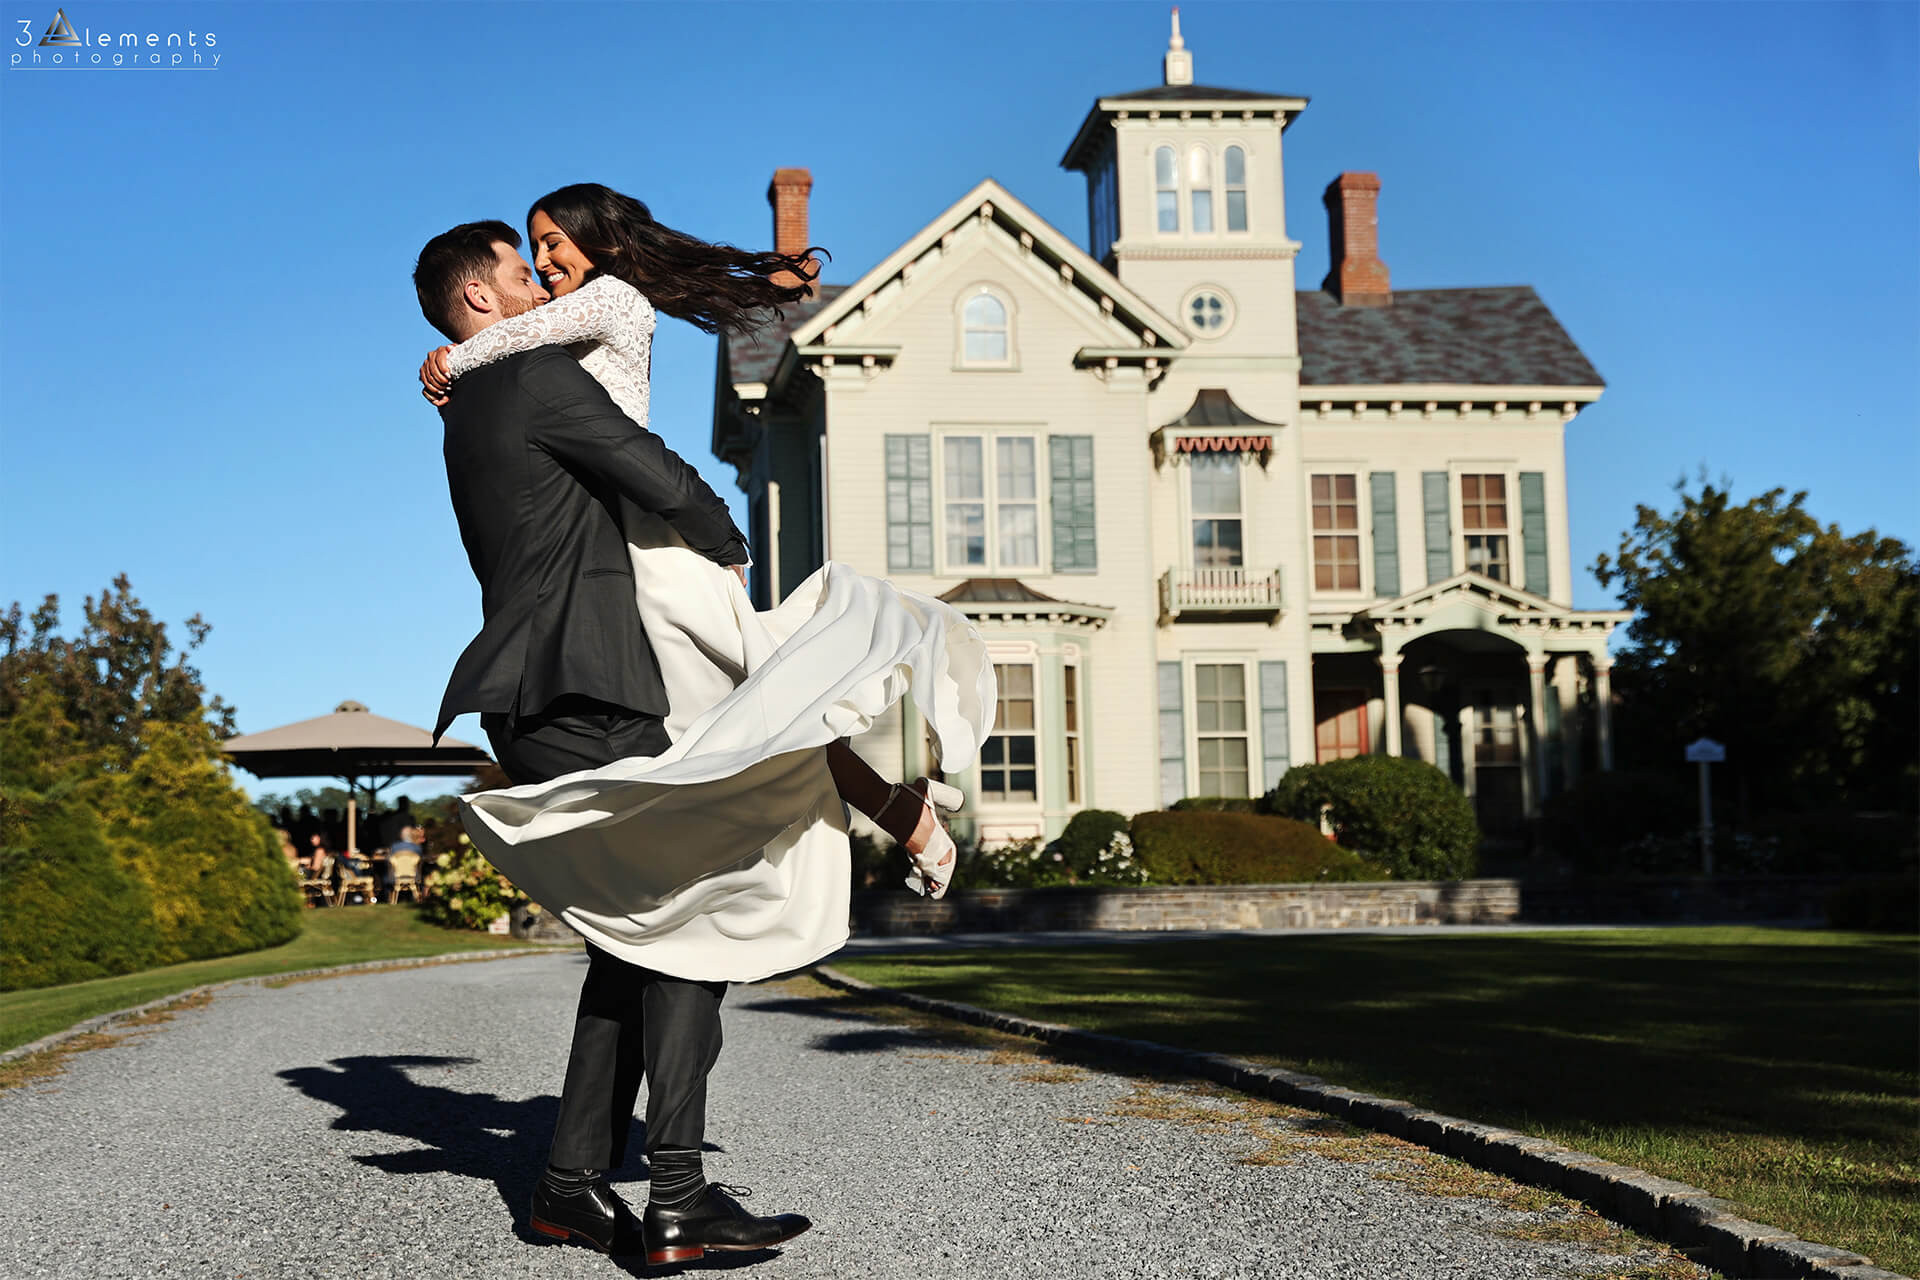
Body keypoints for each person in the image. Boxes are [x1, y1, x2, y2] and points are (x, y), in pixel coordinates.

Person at [413, 214, 994, 1267]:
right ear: (481, 299)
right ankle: (676, 1196)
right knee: (699, 900)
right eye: (517, 269)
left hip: (543, 690)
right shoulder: (534, 379)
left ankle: (567, 1187)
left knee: (637, 935)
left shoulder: (470, 402)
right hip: (586, 685)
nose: (539, 283)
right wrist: (727, 546)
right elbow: (650, 468)